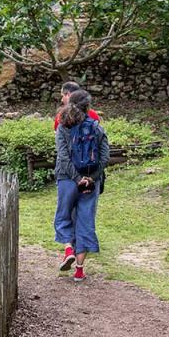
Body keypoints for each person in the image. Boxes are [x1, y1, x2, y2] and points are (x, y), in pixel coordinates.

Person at [54, 89, 109, 282]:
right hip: (91, 182)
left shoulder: (63, 127)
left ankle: (68, 249)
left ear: (70, 103)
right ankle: (79, 270)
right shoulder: (97, 127)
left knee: (64, 216)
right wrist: (91, 178)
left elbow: (63, 156)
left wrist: (76, 179)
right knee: (85, 221)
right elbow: (104, 158)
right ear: (88, 106)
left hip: (67, 179)